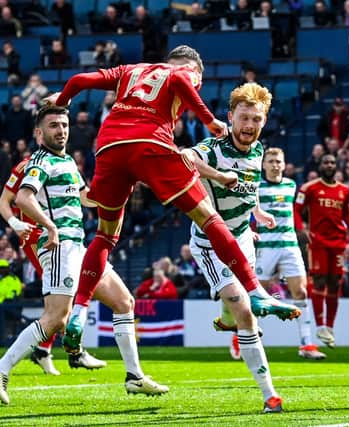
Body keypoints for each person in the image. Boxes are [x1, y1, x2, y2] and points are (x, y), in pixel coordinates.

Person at [44, 45, 298, 353]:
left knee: (104, 237)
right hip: (149, 144)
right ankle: (255, 290)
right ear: (196, 73)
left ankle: (80, 310)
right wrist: (209, 120)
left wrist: (63, 99)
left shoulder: (130, 70)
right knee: (208, 217)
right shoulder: (181, 73)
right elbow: (179, 82)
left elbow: (80, 79)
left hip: (109, 146)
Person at [0, 106, 169, 405]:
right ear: (39, 133)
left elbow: (85, 197)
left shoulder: (66, 161)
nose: (61, 130)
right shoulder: (40, 162)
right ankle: (2, 368)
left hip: (79, 246)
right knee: (54, 319)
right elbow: (24, 197)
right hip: (59, 247)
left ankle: (134, 377)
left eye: (64, 125)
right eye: (53, 125)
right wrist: (49, 226)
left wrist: (120, 188)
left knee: (123, 301)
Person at [186, 82, 287, 413]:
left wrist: (257, 211)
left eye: (256, 120)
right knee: (246, 309)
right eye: (244, 118)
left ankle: (227, 316)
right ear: (230, 117)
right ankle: (270, 394)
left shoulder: (258, 151)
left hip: (243, 236)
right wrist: (218, 175)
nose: (249, 127)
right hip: (211, 242)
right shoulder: (214, 148)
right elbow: (184, 158)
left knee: (238, 308)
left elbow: (249, 184)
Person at [255, 147, 326, 360]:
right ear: (264, 164)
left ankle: (306, 345)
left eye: (278, 161)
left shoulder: (290, 185)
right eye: (271, 161)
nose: (275, 165)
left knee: (301, 293)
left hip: (289, 246)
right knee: (257, 295)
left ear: (284, 165)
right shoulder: (257, 186)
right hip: (266, 248)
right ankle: (242, 337)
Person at [295, 154, 349, 348]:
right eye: (326, 162)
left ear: (336, 165)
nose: (329, 165)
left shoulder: (344, 190)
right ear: (320, 165)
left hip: (338, 242)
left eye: (332, 162)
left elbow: (347, 214)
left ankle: (329, 327)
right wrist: (302, 229)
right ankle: (320, 325)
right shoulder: (309, 188)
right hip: (318, 242)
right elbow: (296, 210)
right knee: (320, 279)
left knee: (335, 282)